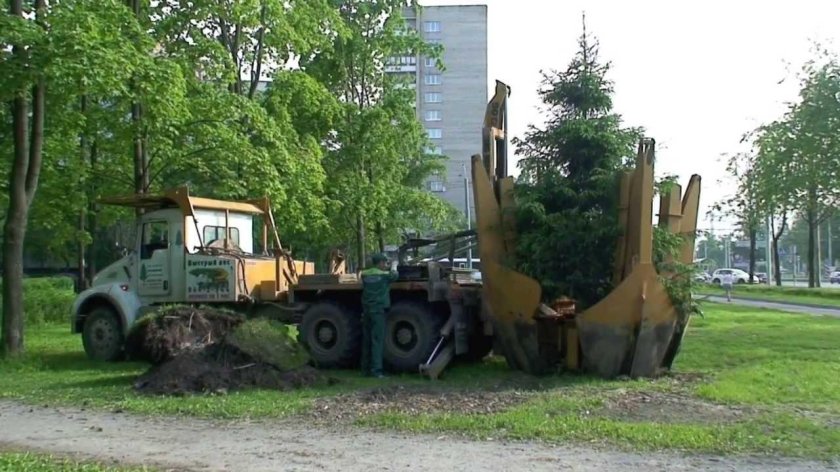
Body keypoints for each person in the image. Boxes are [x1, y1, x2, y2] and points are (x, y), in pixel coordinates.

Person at [360, 253, 399, 378]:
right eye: (385, 263)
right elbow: (395, 276)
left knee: (366, 340)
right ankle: (376, 371)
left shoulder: (365, 274)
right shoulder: (384, 275)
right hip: (378, 311)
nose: (386, 265)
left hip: (367, 310)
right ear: (380, 263)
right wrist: (394, 265)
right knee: (377, 340)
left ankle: (365, 370)